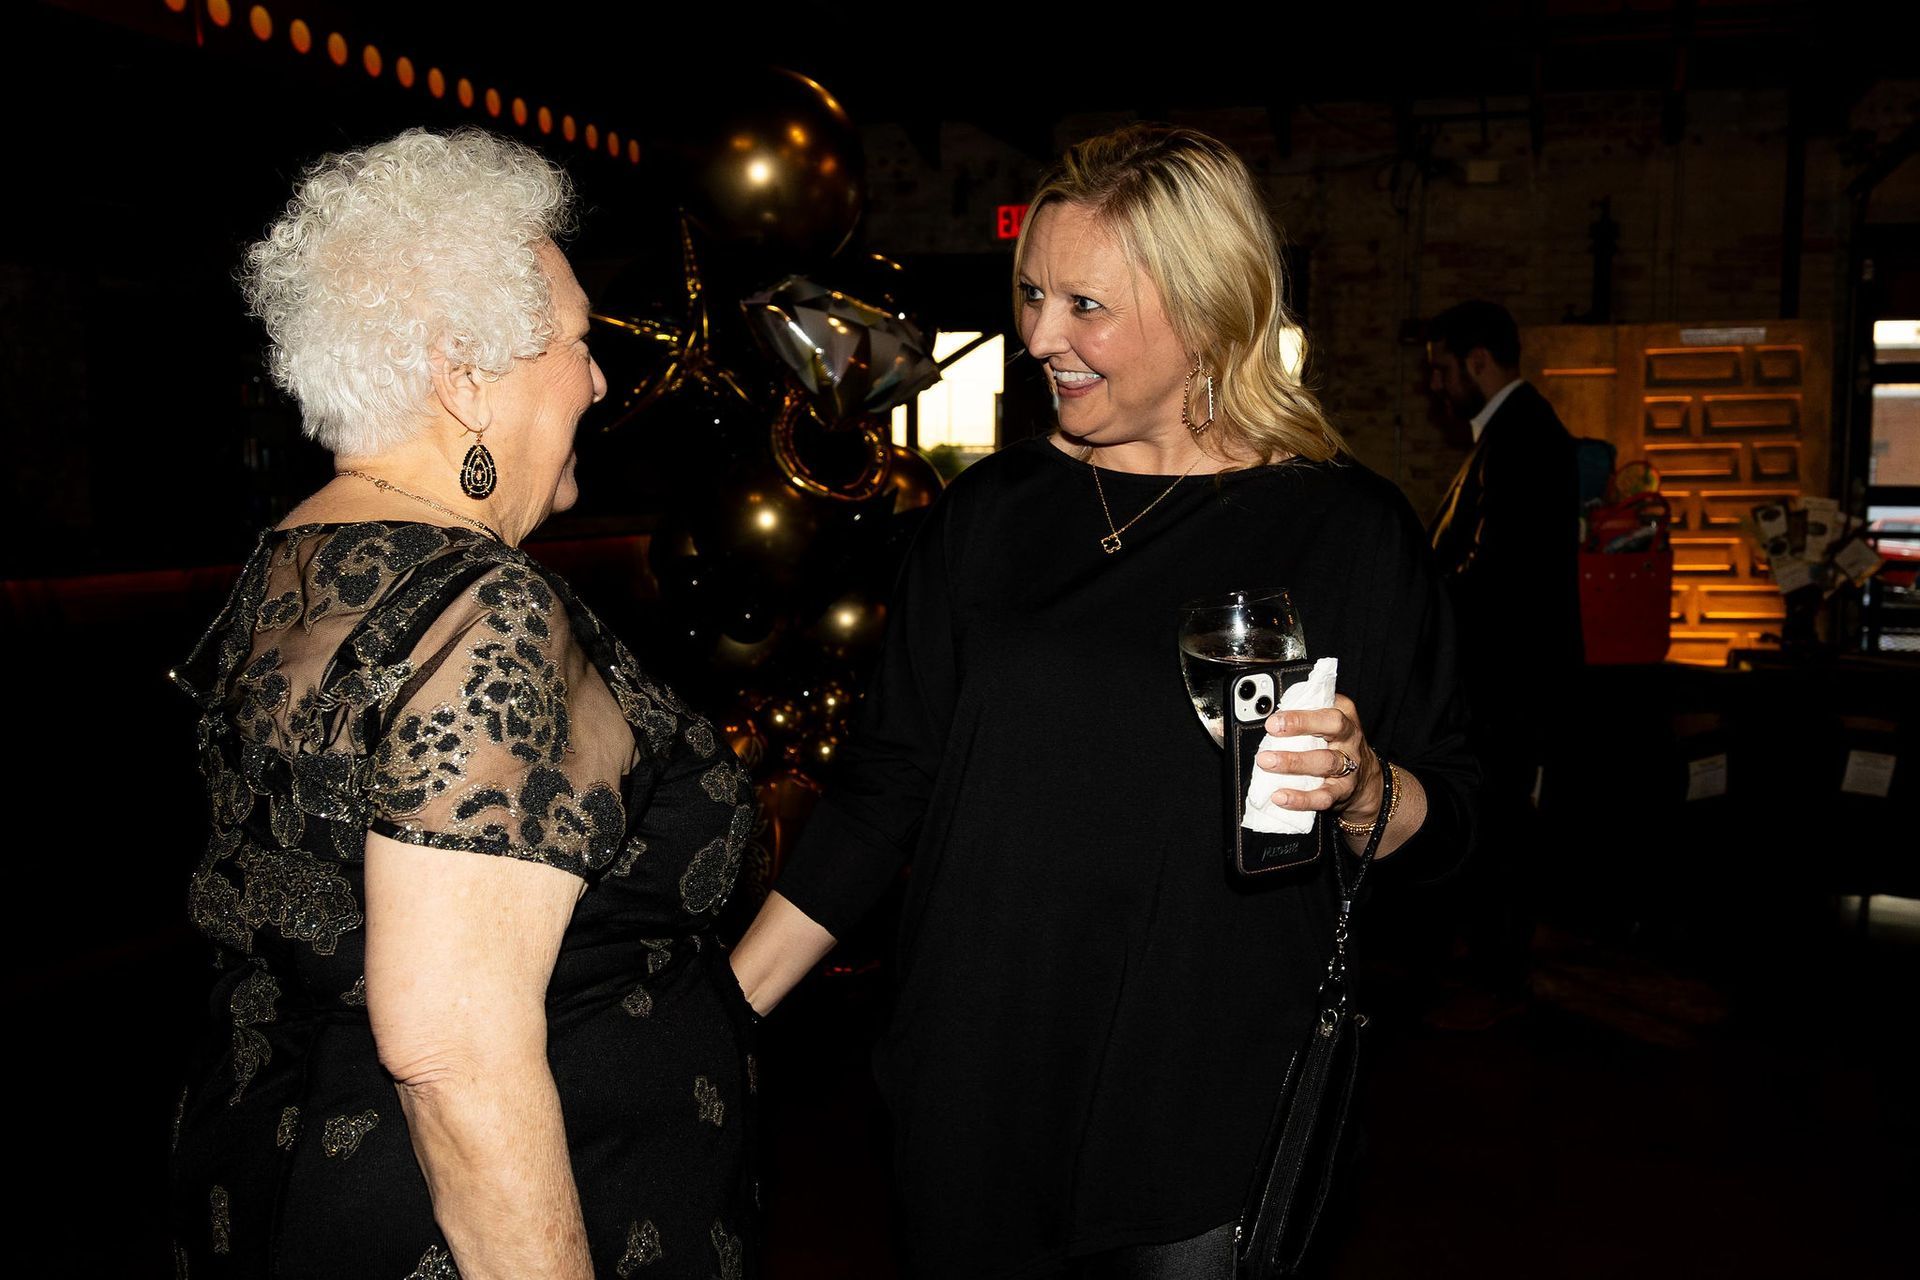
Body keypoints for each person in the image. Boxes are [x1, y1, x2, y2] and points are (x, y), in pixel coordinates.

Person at [730, 125, 1476, 1278]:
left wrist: (1370, 787)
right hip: (975, 1086)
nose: (1037, 338)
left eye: (1086, 305)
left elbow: (1460, 825)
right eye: (1032, 295)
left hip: (1202, 1112)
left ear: (1209, 313)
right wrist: (728, 1007)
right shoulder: (989, 517)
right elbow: (886, 788)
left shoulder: (1348, 533)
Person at [167, 129, 758, 1280]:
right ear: (465, 374)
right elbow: (453, 1050)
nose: (596, 379)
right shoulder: (484, 608)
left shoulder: (291, 562)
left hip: (275, 1165)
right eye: (580, 344)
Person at [1424, 300, 1584, 1024]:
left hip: (1510, 684)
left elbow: (1498, 575)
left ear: (1478, 361)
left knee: (1502, 828)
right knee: (1496, 825)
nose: (1437, 387)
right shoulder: (1513, 434)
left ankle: (1497, 969)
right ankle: (1492, 958)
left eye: (1442, 370)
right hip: (1505, 681)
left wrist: (1420, 606)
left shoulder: (1524, 438)